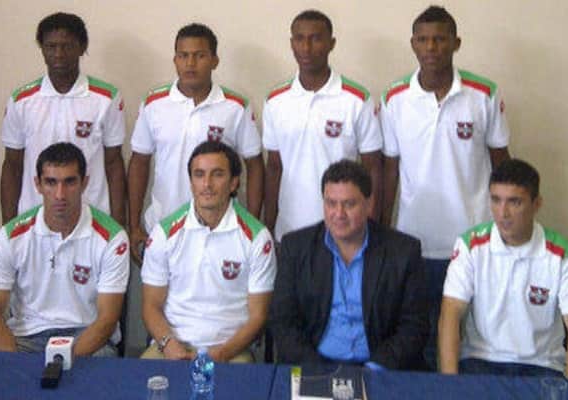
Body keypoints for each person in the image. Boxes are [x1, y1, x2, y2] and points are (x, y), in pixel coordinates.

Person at [380, 5, 511, 369]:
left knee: (470, 342)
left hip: (473, 240)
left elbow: (503, 166)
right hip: (414, 241)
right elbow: (389, 171)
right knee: (419, 340)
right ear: (413, 44)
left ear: (456, 43)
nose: (431, 47)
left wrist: (504, 229)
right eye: (423, 40)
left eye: (440, 39)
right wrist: (383, 230)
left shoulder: (483, 94)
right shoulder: (394, 98)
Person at [269, 160, 428, 370]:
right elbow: (283, 322)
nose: (339, 214)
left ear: (369, 204)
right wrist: (318, 370)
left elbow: (414, 327)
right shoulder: (296, 248)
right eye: (331, 203)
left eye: (349, 204)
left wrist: (374, 369)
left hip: (379, 368)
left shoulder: (403, 252)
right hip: (314, 365)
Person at [438, 159, 568, 378]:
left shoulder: (562, 254)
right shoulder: (470, 246)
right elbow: (450, 313)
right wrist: (450, 386)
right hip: (480, 361)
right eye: (496, 200)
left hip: (542, 366)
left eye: (514, 202)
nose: (503, 213)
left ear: (536, 204)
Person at [128, 23, 263, 264]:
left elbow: (255, 165)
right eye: (183, 56)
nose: (190, 63)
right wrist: (134, 225)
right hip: (164, 225)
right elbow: (139, 162)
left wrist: (251, 225)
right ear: (175, 60)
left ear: (214, 61)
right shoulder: (153, 103)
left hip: (220, 230)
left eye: (199, 56)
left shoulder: (235, 106)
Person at [0, 143, 129, 356]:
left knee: (101, 360)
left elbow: (106, 320)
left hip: (86, 339)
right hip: (25, 339)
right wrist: (14, 363)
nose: (60, 194)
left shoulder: (112, 239)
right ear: (38, 184)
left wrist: (59, 362)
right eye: (51, 182)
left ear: (84, 183)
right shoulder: (10, 237)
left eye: (69, 182)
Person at [140, 141, 276, 362]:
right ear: (191, 182)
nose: (207, 184)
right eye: (199, 175)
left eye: (217, 174)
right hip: (171, 347)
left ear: (234, 183)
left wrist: (219, 355)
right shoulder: (163, 233)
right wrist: (169, 345)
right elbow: (150, 306)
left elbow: (258, 317)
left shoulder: (257, 238)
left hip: (230, 352)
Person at [263, 9, 383, 243]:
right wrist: (268, 226)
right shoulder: (275, 101)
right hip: (290, 230)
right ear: (291, 44)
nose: (306, 47)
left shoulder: (356, 99)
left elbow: (373, 169)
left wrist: (370, 225)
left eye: (316, 39)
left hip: (344, 230)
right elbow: (274, 168)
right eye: (299, 39)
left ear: (331, 43)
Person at [0, 12, 126, 225]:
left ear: (82, 47)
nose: (58, 54)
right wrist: (9, 227)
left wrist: (118, 223)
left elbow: (114, 164)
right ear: (42, 49)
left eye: (67, 46)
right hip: (34, 220)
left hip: (93, 219)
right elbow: (12, 166)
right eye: (51, 46)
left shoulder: (107, 98)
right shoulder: (21, 100)